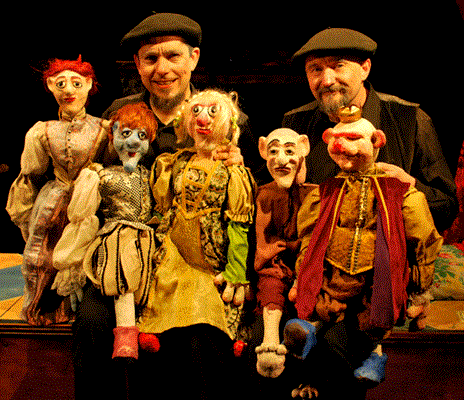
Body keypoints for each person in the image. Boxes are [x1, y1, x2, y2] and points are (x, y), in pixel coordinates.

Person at [72, 13, 255, 400]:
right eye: (151, 58)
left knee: (199, 336)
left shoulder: (226, 118)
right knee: (91, 322)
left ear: (193, 58)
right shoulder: (118, 115)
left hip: (196, 260)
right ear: (137, 65)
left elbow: (249, 205)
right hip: (126, 255)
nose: (163, 69)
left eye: (173, 56)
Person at [282, 27, 458, 234]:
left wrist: (409, 186)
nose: (327, 81)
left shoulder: (409, 119)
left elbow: (447, 208)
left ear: (365, 69)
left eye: (338, 66)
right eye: (316, 69)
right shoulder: (295, 122)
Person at [6, 56, 107, 326]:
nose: (69, 90)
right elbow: (32, 174)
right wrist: (25, 213)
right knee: (42, 258)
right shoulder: (42, 131)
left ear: (89, 85)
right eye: (61, 84)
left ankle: (79, 311)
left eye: (76, 83)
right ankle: (41, 309)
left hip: (88, 203)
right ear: (51, 86)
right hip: (53, 201)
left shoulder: (104, 128)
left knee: (82, 258)